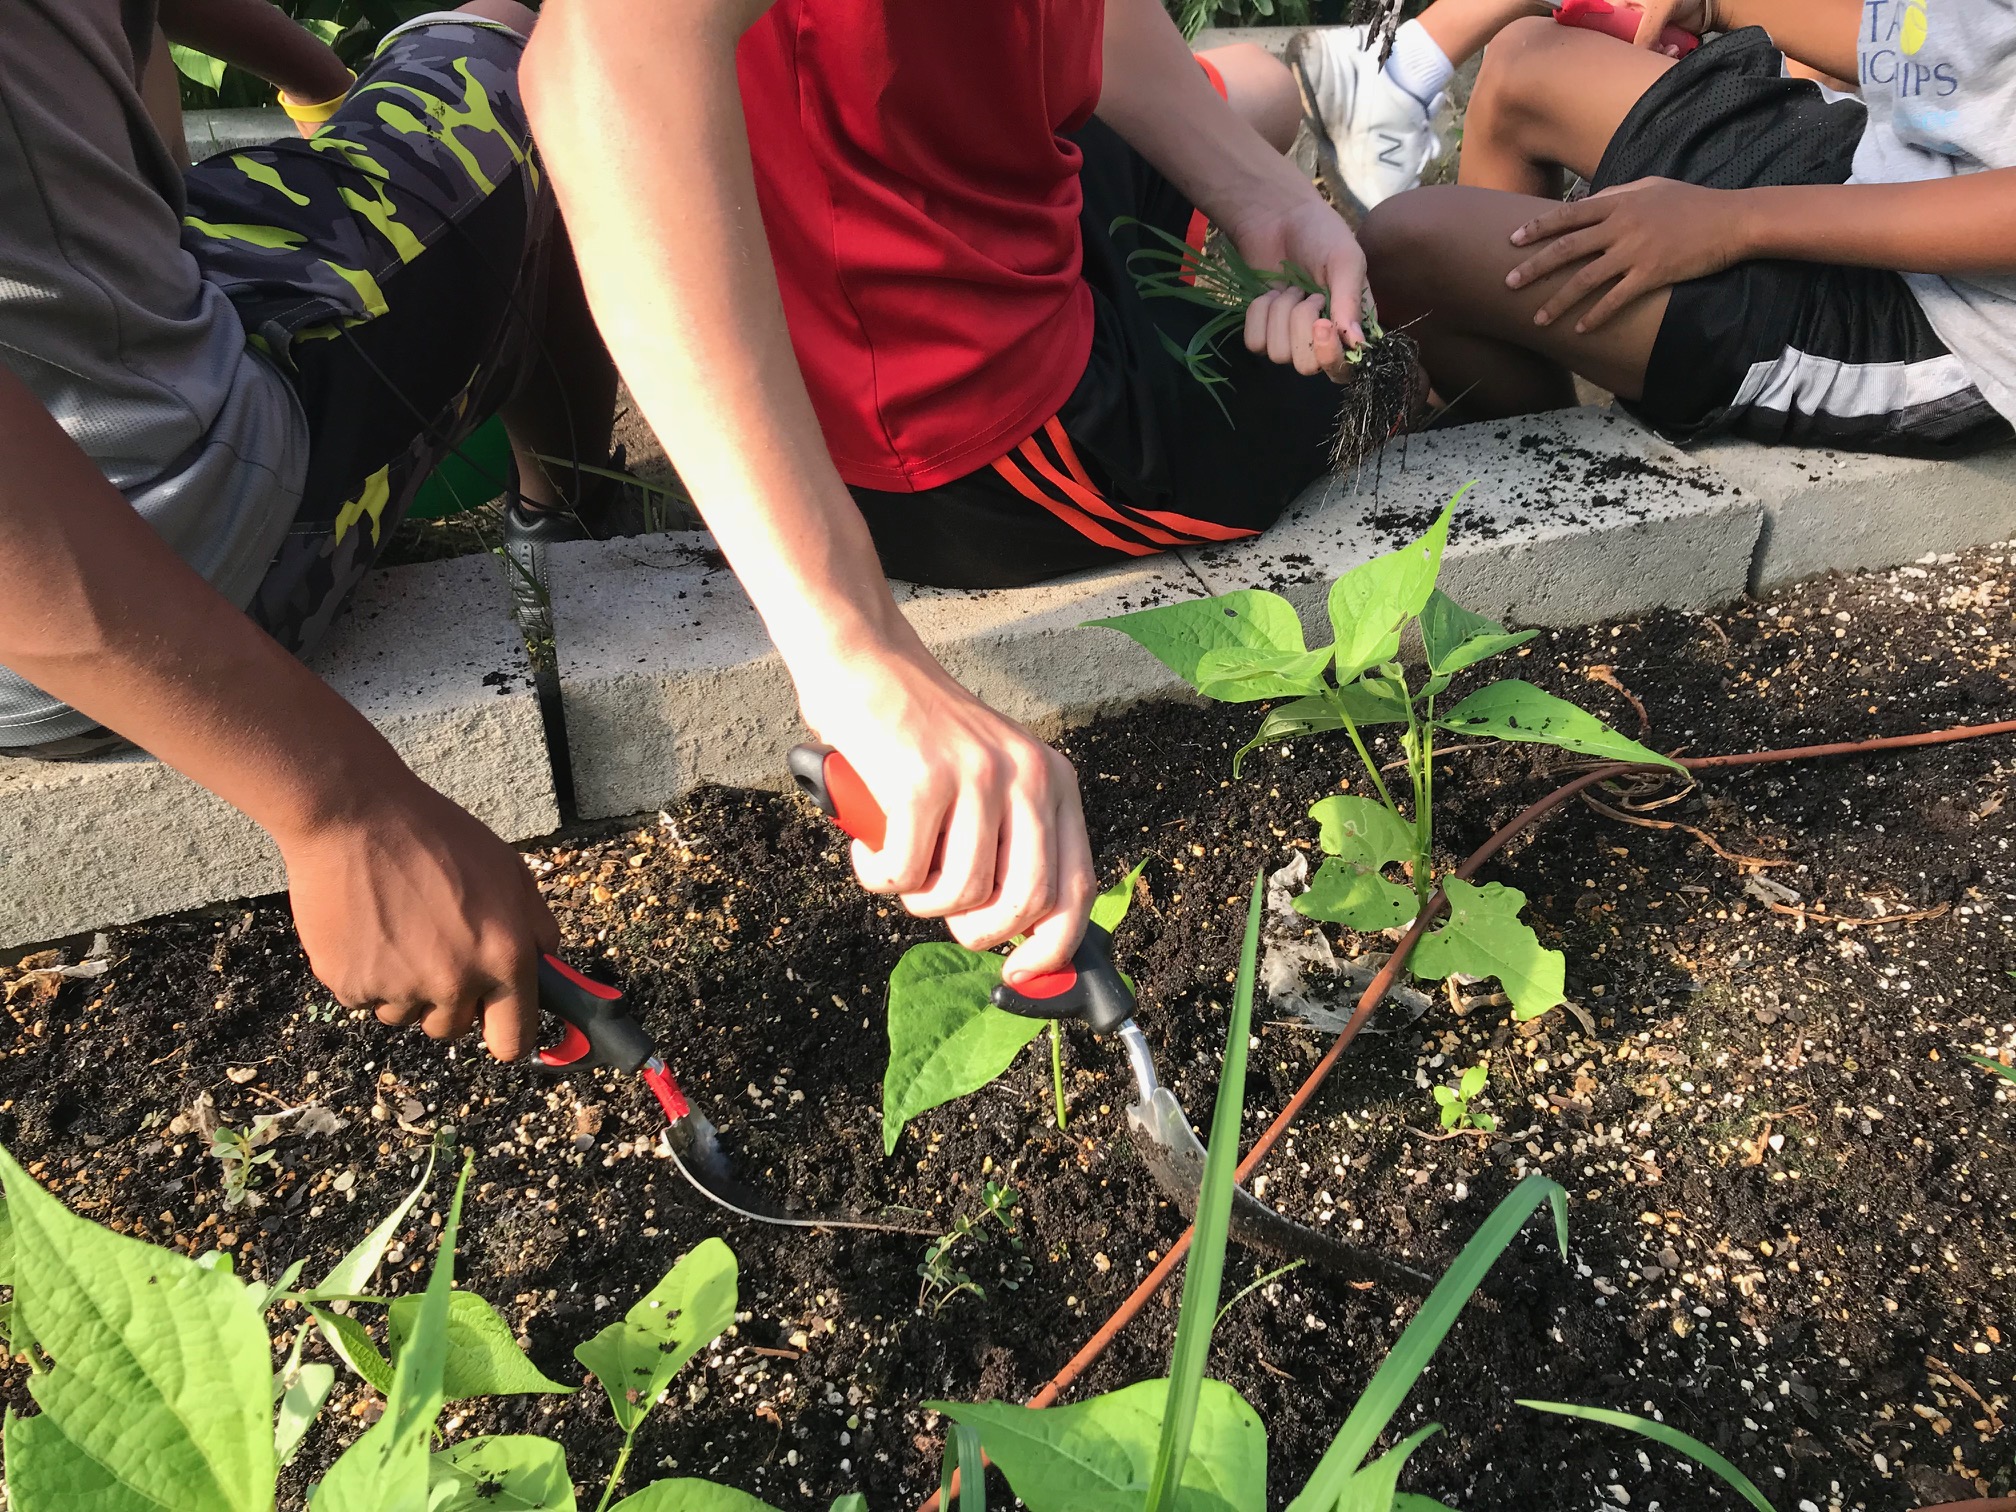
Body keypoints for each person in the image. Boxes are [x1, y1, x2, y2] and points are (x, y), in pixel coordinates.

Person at [518, 0, 1378, 988]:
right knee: (1353, 362)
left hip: (954, 178)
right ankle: (1201, 314)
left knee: (1260, 96)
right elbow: (605, 54)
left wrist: (1271, 201)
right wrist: (855, 650)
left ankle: (1181, 279)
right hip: (958, 404)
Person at [0, 0, 623, 1057]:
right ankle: (566, 513)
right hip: (144, 547)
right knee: (517, 57)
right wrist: (341, 805)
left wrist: (314, 82)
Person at [1292, 0, 2016, 455]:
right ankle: (1526, 412)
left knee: (1406, 248)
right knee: (1524, 60)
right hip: (1887, 161)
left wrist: (1730, 223)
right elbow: (1941, 36)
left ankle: (1553, 470)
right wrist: (1717, 5)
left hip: (1945, 314)